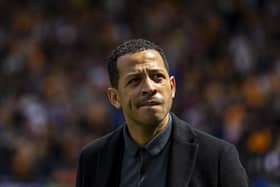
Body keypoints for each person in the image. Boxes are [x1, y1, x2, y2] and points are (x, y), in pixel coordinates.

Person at [76, 39, 248, 187]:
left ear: (172, 87)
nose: (150, 88)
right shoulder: (93, 159)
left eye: (157, 77)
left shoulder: (217, 158)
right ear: (115, 97)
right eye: (134, 81)